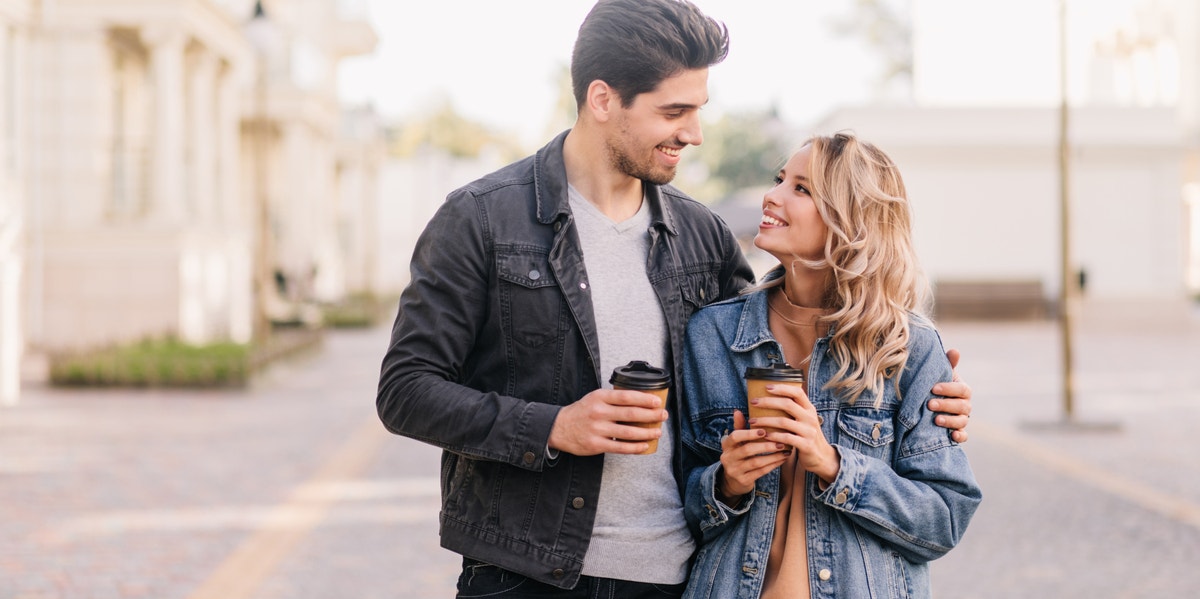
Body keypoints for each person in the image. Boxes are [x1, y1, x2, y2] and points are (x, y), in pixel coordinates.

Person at [376, 1, 972, 597]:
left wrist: (922, 392)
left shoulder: (702, 238)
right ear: (604, 100)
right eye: (674, 111)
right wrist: (556, 426)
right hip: (521, 571)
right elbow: (405, 390)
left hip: (671, 577)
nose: (694, 132)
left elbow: (771, 350)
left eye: (697, 109)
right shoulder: (481, 218)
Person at [679, 133, 983, 599]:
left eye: (801, 189)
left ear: (852, 222)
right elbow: (680, 504)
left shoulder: (909, 348)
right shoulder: (713, 334)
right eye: (780, 179)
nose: (772, 195)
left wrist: (834, 464)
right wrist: (725, 483)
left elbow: (942, 520)